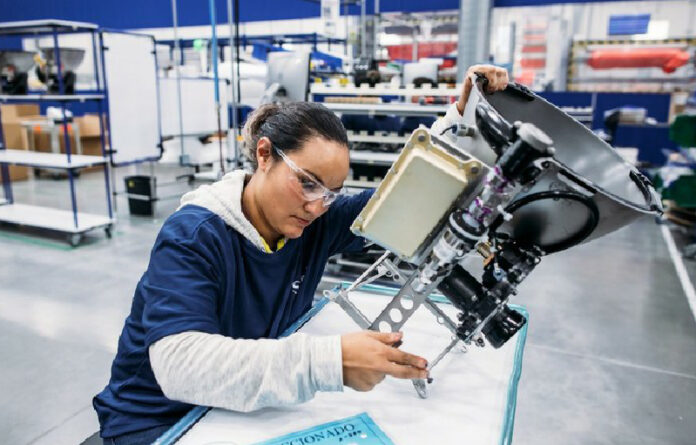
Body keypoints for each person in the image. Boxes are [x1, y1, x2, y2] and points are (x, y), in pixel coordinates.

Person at [93, 64, 509, 445]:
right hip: (156, 422)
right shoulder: (194, 236)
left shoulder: (314, 222)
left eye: (331, 194)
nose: (316, 205)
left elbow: (405, 195)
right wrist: (330, 361)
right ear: (264, 155)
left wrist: (462, 120)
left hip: (235, 408)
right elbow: (180, 366)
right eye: (307, 183)